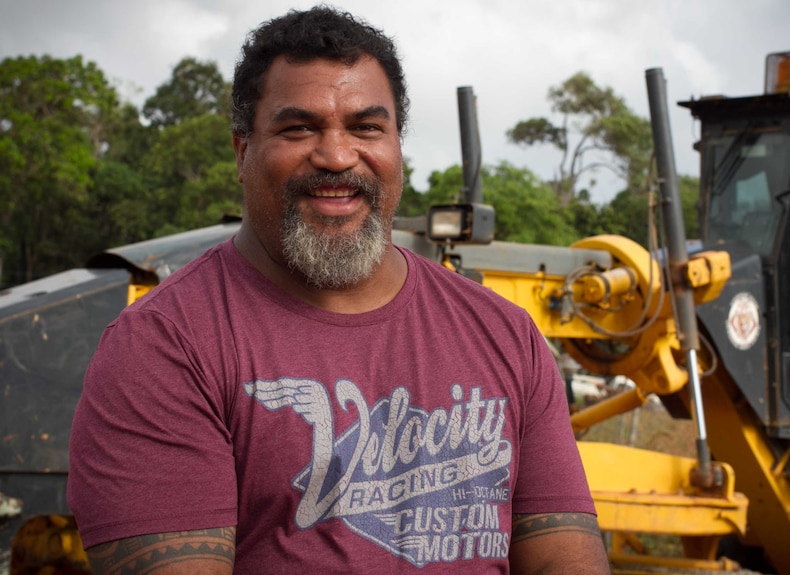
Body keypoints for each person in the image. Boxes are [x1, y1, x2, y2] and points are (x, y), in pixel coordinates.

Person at [67, 6, 610, 574]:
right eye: (298, 128)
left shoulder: (505, 334)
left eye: (366, 127)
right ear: (241, 151)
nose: (337, 155)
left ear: (397, 146)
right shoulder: (163, 347)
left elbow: (562, 559)